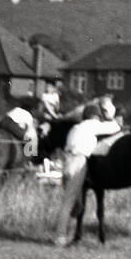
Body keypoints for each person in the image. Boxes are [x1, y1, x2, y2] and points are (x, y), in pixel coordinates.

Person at [54, 100, 121, 246]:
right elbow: (115, 127)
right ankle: (60, 238)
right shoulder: (93, 125)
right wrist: (109, 115)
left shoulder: (75, 127)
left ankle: (67, 234)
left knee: (72, 202)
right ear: (95, 116)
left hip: (67, 162)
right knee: (70, 202)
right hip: (79, 161)